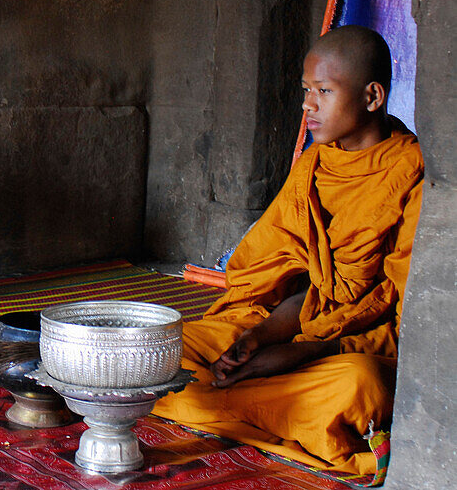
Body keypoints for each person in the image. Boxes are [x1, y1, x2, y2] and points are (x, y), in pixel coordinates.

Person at [152, 25, 423, 476]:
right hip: (289, 336)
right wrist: (257, 341)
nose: (307, 105)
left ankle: (212, 402)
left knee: (361, 386)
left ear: (372, 97)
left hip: (350, 353)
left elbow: (405, 323)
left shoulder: (411, 173)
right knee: (163, 347)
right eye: (305, 90)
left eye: (323, 90)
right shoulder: (316, 164)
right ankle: (265, 405)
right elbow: (298, 289)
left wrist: (307, 353)